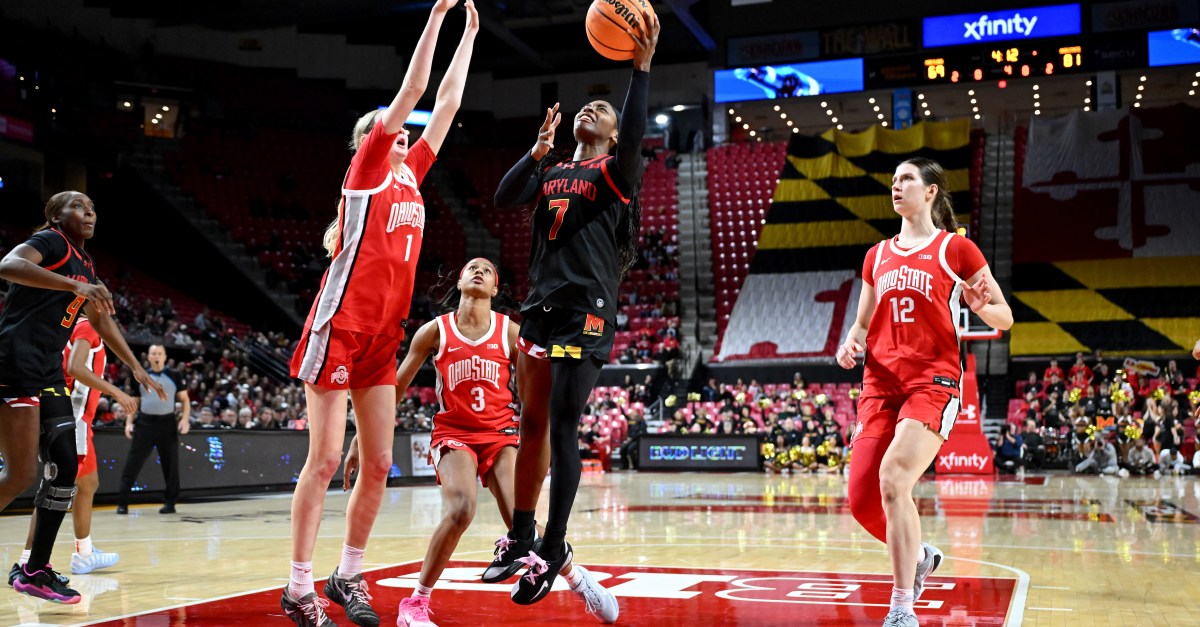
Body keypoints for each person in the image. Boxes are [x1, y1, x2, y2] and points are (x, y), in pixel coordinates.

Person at [281, 3, 478, 625]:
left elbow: (443, 105)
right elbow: (416, 89)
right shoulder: (366, 169)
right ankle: (297, 586)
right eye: (389, 126)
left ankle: (347, 575)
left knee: (381, 464)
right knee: (325, 460)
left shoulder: (413, 173)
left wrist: (470, 34)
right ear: (372, 136)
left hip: (382, 336)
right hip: (339, 327)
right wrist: (438, 15)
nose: (401, 131)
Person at [485, 7, 659, 605]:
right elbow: (506, 196)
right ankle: (522, 533)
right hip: (538, 307)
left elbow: (635, 133)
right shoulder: (554, 167)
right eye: (587, 107)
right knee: (529, 424)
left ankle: (553, 543)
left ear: (612, 134)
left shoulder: (616, 171)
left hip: (586, 309)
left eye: (601, 111)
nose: (591, 110)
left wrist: (640, 70)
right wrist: (535, 151)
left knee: (560, 423)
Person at [343, 259, 618, 626]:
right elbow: (396, 388)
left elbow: (534, 397)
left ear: (494, 290)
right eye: (471, 268)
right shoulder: (433, 331)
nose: (478, 272)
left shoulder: (511, 333)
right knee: (461, 510)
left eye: (487, 271)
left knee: (520, 522)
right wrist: (361, 439)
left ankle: (577, 579)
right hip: (453, 434)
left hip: (500, 435)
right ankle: (415, 605)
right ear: (459, 282)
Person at [837, 158, 1013, 627]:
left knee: (894, 478)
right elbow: (862, 320)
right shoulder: (877, 254)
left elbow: (1005, 317)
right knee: (860, 499)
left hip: (931, 383)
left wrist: (981, 308)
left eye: (907, 179)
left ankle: (901, 607)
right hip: (879, 383)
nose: (897, 186)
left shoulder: (957, 249)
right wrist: (850, 340)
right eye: (893, 181)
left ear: (931, 191)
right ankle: (919, 557)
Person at [0, 191, 164, 603]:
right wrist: (76, 284)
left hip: (48, 370)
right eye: (77, 205)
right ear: (57, 215)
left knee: (66, 467)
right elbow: (8, 265)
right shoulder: (50, 241)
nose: (88, 211)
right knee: (20, 475)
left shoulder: (87, 264)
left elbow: (102, 321)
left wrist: (135, 366)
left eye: (92, 206)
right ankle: (35, 567)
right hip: (15, 361)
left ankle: (34, 570)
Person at [10, 314, 138, 583]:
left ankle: (84, 552)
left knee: (88, 483)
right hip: (73, 416)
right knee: (55, 489)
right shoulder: (87, 326)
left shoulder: (76, 326)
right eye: (104, 297)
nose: (110, 305)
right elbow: (75, 366)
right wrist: (117, 392)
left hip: (79, 417)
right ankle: (27, 561)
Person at [117, 344, 190, 514]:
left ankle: (170, 503)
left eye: (159, 353)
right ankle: (122, 503)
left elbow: (185, 400)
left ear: (165, 357)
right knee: (132, 463)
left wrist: (185, 420)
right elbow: (135, 401)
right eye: (153, 354)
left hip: (168, 424)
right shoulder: (140, 375)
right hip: (145, 424)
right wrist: (129, 422)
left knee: (171, 465)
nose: (156, 356)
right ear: (148, 357)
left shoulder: (175, 375)